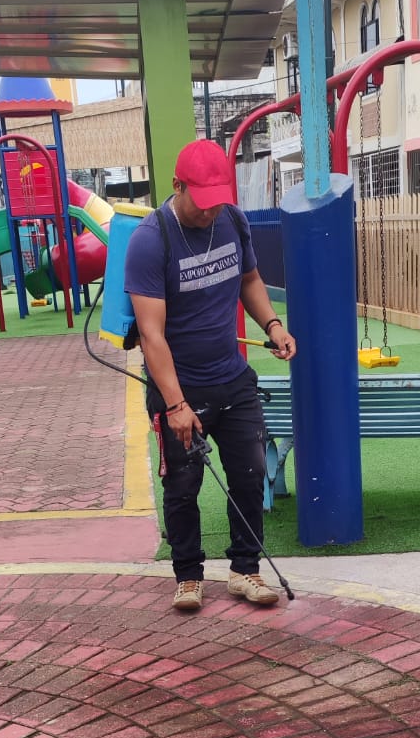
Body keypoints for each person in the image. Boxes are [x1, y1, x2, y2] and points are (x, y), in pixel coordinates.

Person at [125, 138, 296, 613]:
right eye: (201, 202)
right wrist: (175, 404)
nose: (209, 212)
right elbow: (151, 335)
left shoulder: (233, 220)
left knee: (250, 474)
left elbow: (249, 280)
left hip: (233, 378)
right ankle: (188, 576)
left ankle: (245, 569)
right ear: (177, 186)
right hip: (180, 387)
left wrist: (273, 325)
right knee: (183, 486)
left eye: (217, 201)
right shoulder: (151, 241)